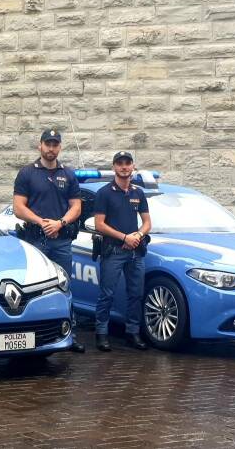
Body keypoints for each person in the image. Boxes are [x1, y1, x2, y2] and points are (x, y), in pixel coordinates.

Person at [12, 129, 86, 353]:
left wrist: (60, 223)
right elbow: (18, 208)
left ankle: (68, 334)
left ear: (60, 147)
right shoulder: (27, 173)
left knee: (64, 288)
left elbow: (77, 206)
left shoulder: (69, 174)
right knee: (33, 288)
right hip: (36, 241)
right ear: (40, 146)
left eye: (55, 144)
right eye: (48, 144)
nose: (51, 148)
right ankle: (31, 335)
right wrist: (42, 222)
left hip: (61, 241)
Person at [92, 151, 152, 352]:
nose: (124, 167)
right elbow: (99, 224)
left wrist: (137, 236)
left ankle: (132, 333)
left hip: (135, 251)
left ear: (133, 166)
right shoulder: (104, 192)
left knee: (136, 294)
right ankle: (101, 333)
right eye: (120, 163)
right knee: (107, 294)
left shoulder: (138, 192)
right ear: (114, 167)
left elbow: (147, 223)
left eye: (127, 163)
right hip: (113, 251)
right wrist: (124, 238)